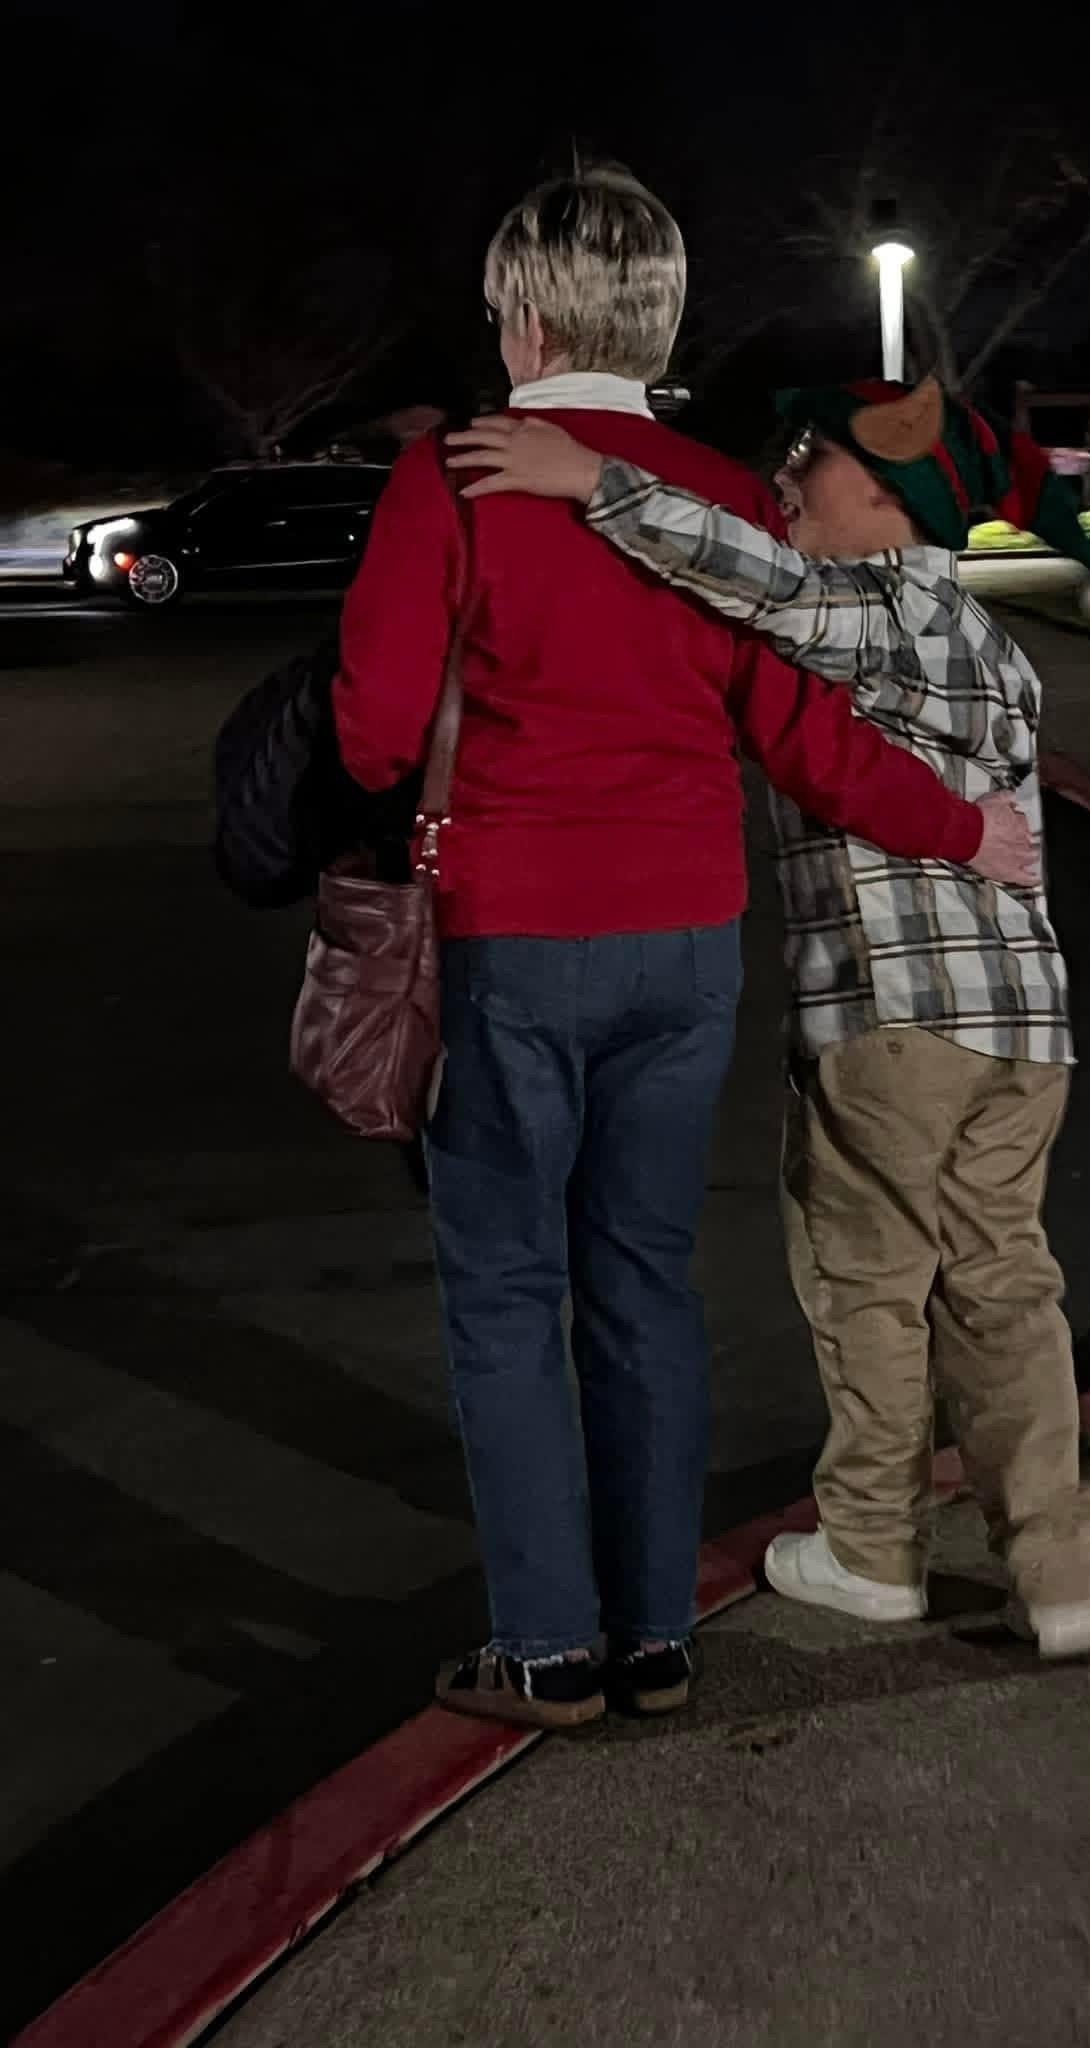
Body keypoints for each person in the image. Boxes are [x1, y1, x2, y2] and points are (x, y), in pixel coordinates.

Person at [331, 171, 1041, 1730]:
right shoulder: (720, 494)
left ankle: (545, 1644)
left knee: (509, 1294)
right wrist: (958, 827)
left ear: (521, 315)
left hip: (514, 932)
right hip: (686, 936)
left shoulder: (458, 478)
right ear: (655, 319)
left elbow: (378, 737)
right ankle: (656, 1634)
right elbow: (795, 720)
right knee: (646, 1278)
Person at [444, 374, 1090, 1660]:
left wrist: (587, 478)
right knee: (1006, 1288)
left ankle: (872, 1548)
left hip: (892, 1010)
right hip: (1023, 1023)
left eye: (812, 458)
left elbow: (742, 573)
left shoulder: (868, 610)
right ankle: (1060, 1567)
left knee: (867, 1281)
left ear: (888, 494)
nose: (789, 474)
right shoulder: (995, 647)